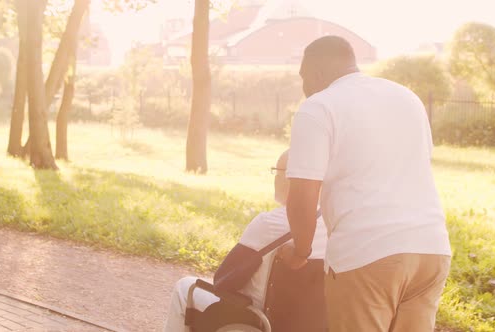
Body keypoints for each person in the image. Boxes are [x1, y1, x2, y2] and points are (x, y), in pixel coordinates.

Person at [279, 35, 452, 332]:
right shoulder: (406, 97)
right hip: (431, 249)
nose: (304, 89)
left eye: (304, 79)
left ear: (317, 73)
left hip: (367, 255)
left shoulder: (318, 107)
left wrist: (300, 252)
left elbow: (303, 193)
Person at [164, 150, 327, 332]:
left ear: (289, 177)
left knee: (184, 287)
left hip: (255, 320)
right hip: (305, 326)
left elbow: (223, 280)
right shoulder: (332, 228)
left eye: (277, 171)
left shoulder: (268, 224)